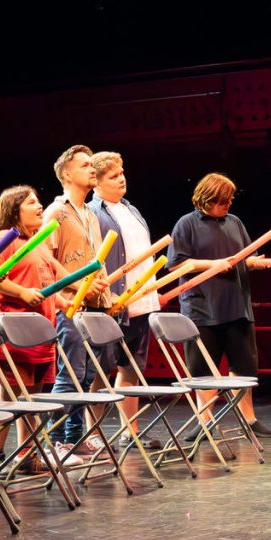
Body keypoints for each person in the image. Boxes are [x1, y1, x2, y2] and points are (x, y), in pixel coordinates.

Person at [166, 172, 271, 439]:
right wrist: (214, 265)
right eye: (222, 200)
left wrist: (255, 263)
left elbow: (244, 257)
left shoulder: (234, 222)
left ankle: (248, 419)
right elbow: (177, 264)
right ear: (207, 198)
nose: (228, 204)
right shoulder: (187, 224)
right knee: (203, 369)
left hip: (236, 304)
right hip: (202, 308)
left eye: (229, 200)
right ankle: (204, 421)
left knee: (244, 367)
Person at [0, 185, 82, 473]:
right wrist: (23, 293)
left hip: (41, 330)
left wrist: (68, 297)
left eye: (38, 201)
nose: (39, 206)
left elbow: (56, 277)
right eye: (31, 203)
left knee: (34, 395)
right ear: (14, 210)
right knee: (11, 392)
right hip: (14, 326)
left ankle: (26, 454)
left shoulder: (38, 242)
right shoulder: (4, 239)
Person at [87, 151, 163, 449]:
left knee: (131, 368)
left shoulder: (131, 209)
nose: (121, 179)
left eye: (122, 173)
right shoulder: (93, 211)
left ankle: (129, 433)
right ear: (97, 182)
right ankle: (91, 434)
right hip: (113, 303)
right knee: (100, 371)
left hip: (141, 304)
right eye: (113, 176)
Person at [43, 145, 112, 454]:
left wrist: (102, 288)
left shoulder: (90, 214)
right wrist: (71, 290)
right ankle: (54, 438)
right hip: (68, 305)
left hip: (91, 306)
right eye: (85, 165)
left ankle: (74, 436)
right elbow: (44, 259)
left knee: (85, 375)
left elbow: (95, 260)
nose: (92, 169)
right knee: (69, 374)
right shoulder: (57, 212)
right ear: (67, 174)